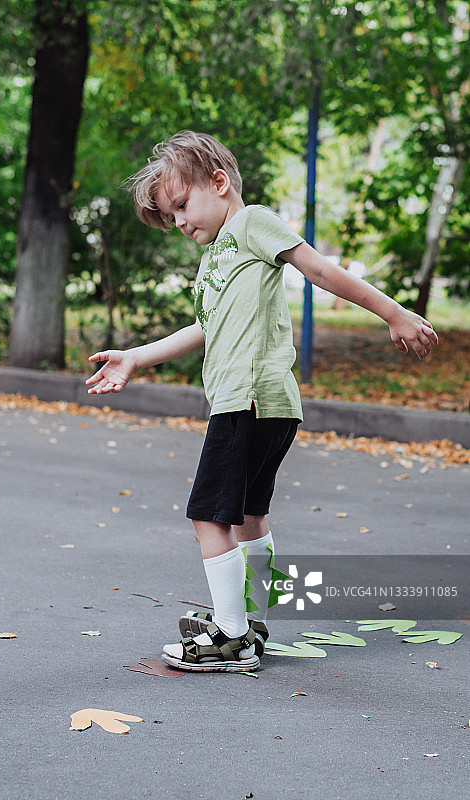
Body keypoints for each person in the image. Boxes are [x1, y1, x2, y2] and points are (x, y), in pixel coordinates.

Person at [85, 130, 438, 673]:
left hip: (247, 400)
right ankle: (249, 623)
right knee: (249, 515)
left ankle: (229, 638)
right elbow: (203, 327)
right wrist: (135, 356)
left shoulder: (250, 223)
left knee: (207, 515)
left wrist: (394, 313)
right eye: (170, 216)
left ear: (219, 183)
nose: (179, 222)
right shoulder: (217, 258)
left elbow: (319, 269)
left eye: (181, 206)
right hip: (262, 403)